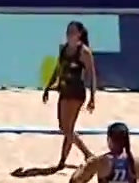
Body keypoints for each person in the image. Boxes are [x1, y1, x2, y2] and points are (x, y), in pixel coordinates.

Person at [42, 21, 97, 169]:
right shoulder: (64, 49)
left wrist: (92, 98)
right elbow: (58, 69)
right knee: (64, 127)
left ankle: (81, 155)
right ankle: (70, 159)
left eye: (72, 31)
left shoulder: (84, 52)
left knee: (68, 128)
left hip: (76, 93)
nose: (69, 34)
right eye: (68, 31)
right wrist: (48, 86)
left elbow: (92, 76)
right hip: (64, 90)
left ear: (79, 34)